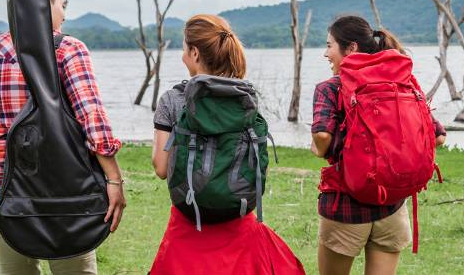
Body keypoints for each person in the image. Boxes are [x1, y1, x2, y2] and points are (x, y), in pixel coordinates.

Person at [0, 0, 127, 275]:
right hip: (66, 193)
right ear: (44, 5)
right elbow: (92, 118)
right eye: (62, 5)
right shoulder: (68, 49)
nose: (64, 15)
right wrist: (114, 180)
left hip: (3, 195)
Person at [148, 14, 304, 275]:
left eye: (184, 49)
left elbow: (161, 168)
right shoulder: (245, 98)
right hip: (239, 224)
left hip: (189, 224)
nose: (182, 55)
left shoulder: (173, 99)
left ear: (195, 53)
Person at [310, 15, 447, 275]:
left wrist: (317, 149)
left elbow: (322, 137)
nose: (325, 53)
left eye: (329, 46)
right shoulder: (401, 82)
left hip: (345, 206)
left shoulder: (330, 88)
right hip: (392, 205)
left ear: (350, 48)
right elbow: (437, 136)